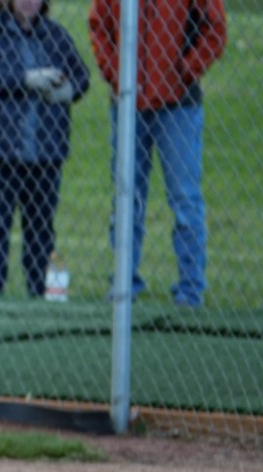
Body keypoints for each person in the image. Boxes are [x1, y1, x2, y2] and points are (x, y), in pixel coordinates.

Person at [89, 0, 225, 307]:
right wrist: (117, 74)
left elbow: (215, 28)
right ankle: (124, 284)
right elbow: (99, 26)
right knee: (126, 198)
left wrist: (186, 70)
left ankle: (190, 290)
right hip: (127, 102)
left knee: (185, 198)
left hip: (178, 105)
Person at [0, 0, 90, 297]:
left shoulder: (55, 35)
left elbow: (81, 77)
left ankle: (42, 292)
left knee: (41, 227)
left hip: (45, 152)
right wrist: (25, 80)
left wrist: (66, 91)